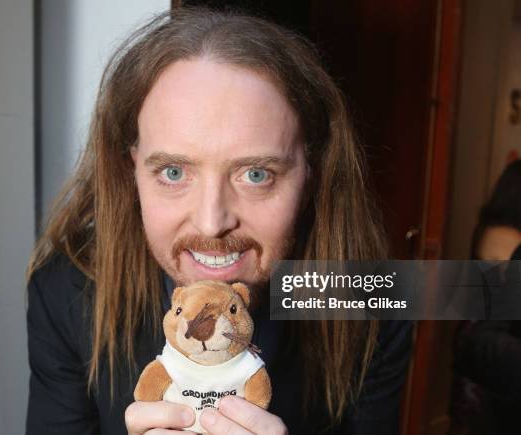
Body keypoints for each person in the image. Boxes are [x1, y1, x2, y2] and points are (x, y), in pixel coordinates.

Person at [25, 7, 413, 435]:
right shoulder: (66, 293)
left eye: (256, 174)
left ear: (311, 174)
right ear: (131, 170)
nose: (212, 224)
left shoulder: (372, 305)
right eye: (173, 172)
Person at [449, 160, 521, 435]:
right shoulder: (507, 238)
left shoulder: (488, 228)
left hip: (471, 324)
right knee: (469, 415)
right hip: (481, 328)